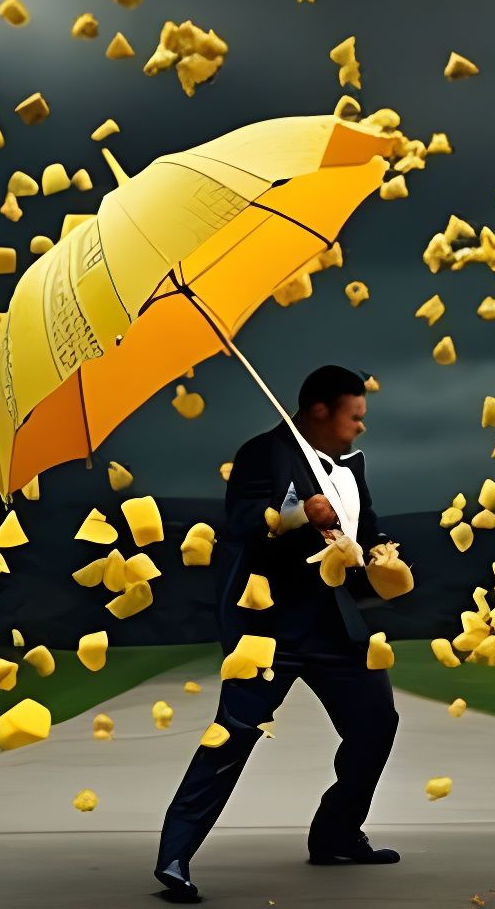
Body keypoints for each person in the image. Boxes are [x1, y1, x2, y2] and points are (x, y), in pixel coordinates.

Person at [154, 365, 412, 903]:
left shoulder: (349, 467)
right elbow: (243, 521)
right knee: (232, 738)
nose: (361, 427)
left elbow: (365, 527)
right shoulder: (261, 453)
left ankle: (337, 834)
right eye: (354, 416)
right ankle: (174, 857)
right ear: (319, 410)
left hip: (337, 628)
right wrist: (297, 512)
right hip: (269, 631)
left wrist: (383, 549)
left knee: (376, 725)